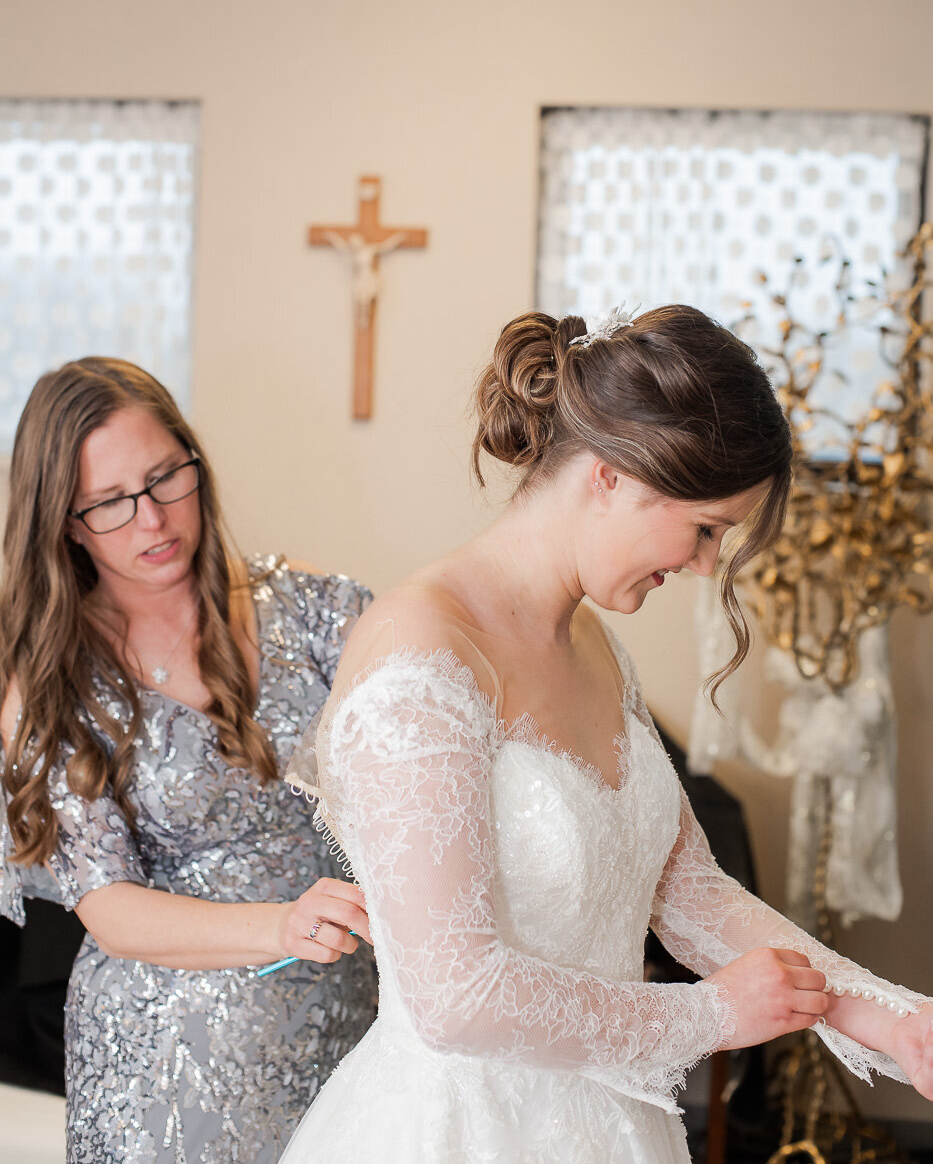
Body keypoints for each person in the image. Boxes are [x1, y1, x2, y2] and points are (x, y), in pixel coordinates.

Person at [281, 306, 933, 1164]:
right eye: (705, 528)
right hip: (462, 1133)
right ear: (611, 476)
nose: (705, 564)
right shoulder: (421, 656)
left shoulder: (592, 643)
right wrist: (708, 1015)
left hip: (613, 1126)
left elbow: (687, 891)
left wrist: (897, 1018)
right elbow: (454, 996)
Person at [0, 358, 378, 1163]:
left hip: (347, 1026)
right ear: (65, 522)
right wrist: (283, 924)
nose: (152, 521)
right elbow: (109, 908)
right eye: (109, 502)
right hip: (165, 1063)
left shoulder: (313, 610)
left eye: (165, 477)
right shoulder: (53, 682)